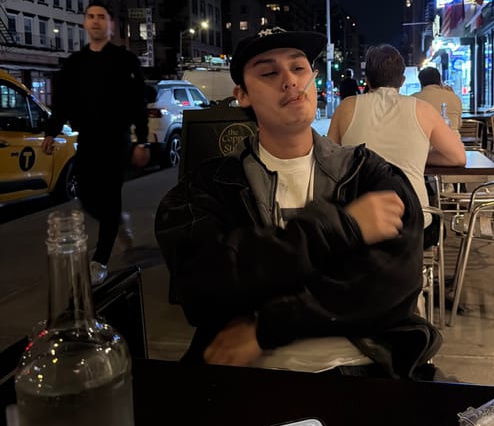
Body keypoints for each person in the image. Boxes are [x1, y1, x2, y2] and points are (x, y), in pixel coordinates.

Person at [155, 26, 442, 380]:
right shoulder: (208, 188)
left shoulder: (370, 176)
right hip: (248, 377)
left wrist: (266, 327)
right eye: (269, 72)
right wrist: (342, 228)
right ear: (242, 94)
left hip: (367, 371)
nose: (289, 80)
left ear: (313, 80)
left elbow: (391, 286)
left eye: (299, 68)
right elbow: (204, 290)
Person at [42, 1, 150, 285]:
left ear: (111, 25)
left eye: (101, 17)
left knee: (111, 195)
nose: (96, 21)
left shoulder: (125, 60)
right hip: (87, 138)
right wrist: (51, 132)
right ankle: (117, 222)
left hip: (117, 139)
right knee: (87, 195)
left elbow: (138, 101)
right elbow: (62, 101)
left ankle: (99, 259)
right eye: (91, 16)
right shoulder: (75, 64)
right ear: (84, 23)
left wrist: (141, 140)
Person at [327, 44, 466, 249]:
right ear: (402, 81)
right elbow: (458, 158)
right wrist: (418, 155)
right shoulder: (422, 110)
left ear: (368, 79)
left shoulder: (346, 107)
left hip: (360, 225)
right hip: (414, 225)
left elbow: (329, 159)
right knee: (437, 224)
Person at [412, 67, 463, 132]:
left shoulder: (414, 99)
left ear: (421, 82)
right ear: (440, 81)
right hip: (453, 139)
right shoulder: (454, 97)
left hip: (426, 140)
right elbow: (459, 125)